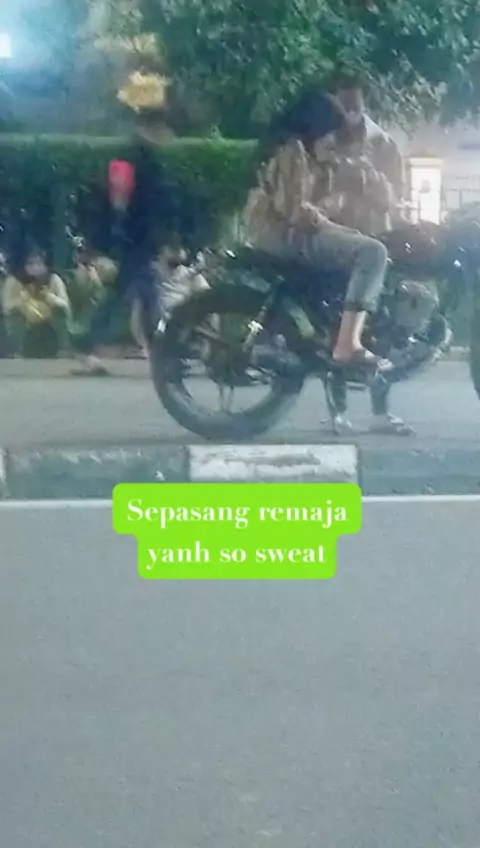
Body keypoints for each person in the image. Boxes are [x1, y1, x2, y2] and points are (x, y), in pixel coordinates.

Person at [244, 89, 390, 367]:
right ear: (317, 125)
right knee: (373, 252)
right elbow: (295, 211)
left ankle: (333, 329)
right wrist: (330, 221)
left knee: (358, 242)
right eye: (331, 131)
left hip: (281, 232)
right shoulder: (292, 151)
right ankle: (347, 343)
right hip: (282, 234)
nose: (333, 139)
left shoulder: (301, 152)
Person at [1, 247, 71, 358]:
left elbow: (65, 304)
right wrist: (22, 299)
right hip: (26, 322)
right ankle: (17, 350)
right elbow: (7, 307)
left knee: (60, 313)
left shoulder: (54, 279)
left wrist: (50, 297)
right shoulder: (13, 281)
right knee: (14, 316)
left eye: (39, 263)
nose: (35, 267)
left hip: (48, 322)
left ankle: (63, 348)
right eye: (31, 263)